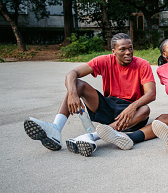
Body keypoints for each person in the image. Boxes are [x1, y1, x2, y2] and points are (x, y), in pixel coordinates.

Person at [23, 33, 156, 157]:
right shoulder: (104, 60)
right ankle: (55, 129)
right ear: (113, 51)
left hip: (132, 114)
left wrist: (132, 107)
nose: (128, 52)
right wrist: (73, 94)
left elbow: (151, 94)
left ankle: (91, 137)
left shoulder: (142, 64)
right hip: (109, 106)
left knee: (145, 109)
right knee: (77, 85)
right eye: (122, 49)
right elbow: (72, 74)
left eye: (130, 48)